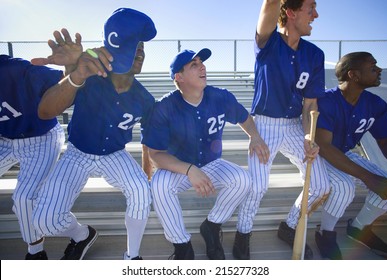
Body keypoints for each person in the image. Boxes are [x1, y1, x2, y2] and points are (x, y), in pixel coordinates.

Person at [32, 8, 157, 260]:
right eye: (135, 47)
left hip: (115, 155)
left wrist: (145, 176)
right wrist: (74, 72)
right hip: (77, 153)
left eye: (142, 49)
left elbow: (149, 142)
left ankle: (132, 258)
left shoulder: (145, 99)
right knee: (43, 221)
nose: (140, 53)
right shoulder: (90, 71)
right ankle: (81, 234)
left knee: (142, 191)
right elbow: (45, 111)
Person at [142, 48, 269, 260]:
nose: (202, 66)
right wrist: (189, 170)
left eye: (202, 62)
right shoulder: (164, 106)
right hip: (178, 167)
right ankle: (182, 245)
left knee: (243, 180)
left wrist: (254, 136)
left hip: (211, 163)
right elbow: (155, 153)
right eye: (194, 64)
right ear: (179, 77)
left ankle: (211, 226)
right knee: (159, 185)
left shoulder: (220, 96)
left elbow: (244, 118)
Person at [240, 0, 330, 259]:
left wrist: (308, 137)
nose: (316, 14)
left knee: (322, 185)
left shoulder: (314, 54)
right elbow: (269, 4)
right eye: (310, 8)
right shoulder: (268, 41)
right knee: (257, 187)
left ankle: (290, 225)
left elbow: (310, 103)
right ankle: (243, 233)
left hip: (294, 125)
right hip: (264, 124)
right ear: (290, 12)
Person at [315, 52, 387, 260]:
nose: (379, 70)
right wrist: (368, 176)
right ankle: (325, 233)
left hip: (345, 152)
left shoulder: (375, 104)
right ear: (354, 75)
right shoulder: (326, 100)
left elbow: (385, 141)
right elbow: (324, 146)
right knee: (343, 187)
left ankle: (358, 228)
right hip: (319, 155)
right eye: (373, 67)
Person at [0, 55, 65, 260]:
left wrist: (73, 65)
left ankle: (36, 254)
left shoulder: (15, 69)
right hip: (5, 138)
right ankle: (80, 234)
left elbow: (66, 80)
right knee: (24, 201)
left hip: (42, 137)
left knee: (24, 198)